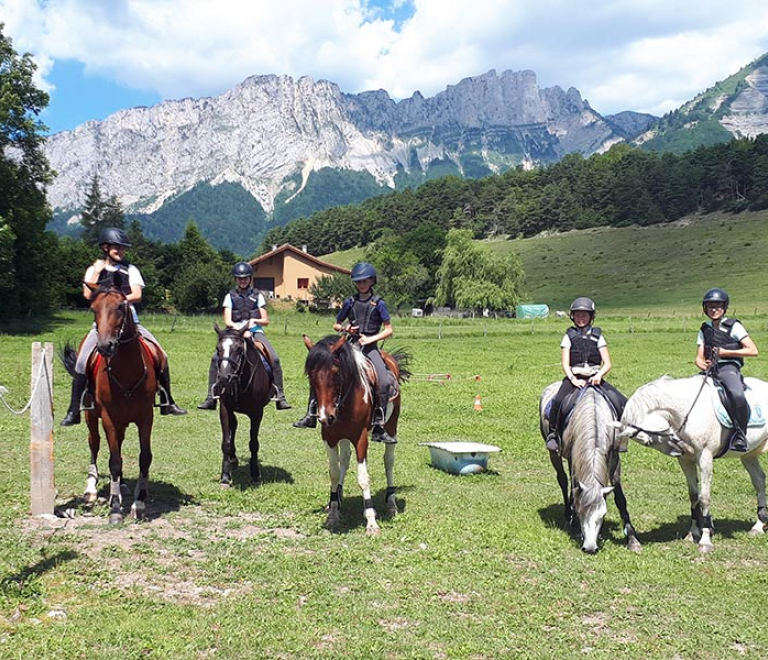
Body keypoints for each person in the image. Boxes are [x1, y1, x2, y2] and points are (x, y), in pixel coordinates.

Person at [61, 227, 187, 426]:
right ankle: (73, 410)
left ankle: (167, 401)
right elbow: (87, 294)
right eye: (116, 247)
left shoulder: (131, 269)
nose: (120, 250)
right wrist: (96, 270)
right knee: (81, 361)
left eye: (122, 248)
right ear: (105, 247)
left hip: (130, 322)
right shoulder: (94, 270)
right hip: (102, 325)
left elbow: (137, 294)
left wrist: (119, 302)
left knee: (161, 354)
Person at [293, 261, 395, 443]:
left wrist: (370, 339)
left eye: (364, 281)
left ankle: (378, 424)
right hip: (350, 346)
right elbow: (336, 324)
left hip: (369, 348)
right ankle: (311, 413)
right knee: (322, 374)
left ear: (372, 281)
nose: (361, 284)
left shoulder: (379, 303)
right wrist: (347, 329)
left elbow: (389, 330)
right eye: (358, 281)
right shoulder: (349, 302)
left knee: (384, 380)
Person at [197, 261, 291, 411]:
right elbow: (228, 320)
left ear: (250, 278)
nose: (243, 281)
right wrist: (240, 330)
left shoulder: (258, 296)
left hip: (255, 332)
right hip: (235, 332)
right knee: (216, 358)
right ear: (236, 279)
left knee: (274, 358)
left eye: (245, 278)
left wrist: (252, 322)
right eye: (240, 278)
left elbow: (265, 320)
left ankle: (280, 396)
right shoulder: (230, 297)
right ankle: (211, 396)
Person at [545, 297, 625, 452]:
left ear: (591, 317)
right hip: (574, 378)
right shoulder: (568, 337)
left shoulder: (598, 336)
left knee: (621, 401)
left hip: (595, 378)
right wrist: (573, 379)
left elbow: (607, 363)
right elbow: (565, 364)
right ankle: (553, 435)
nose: (581, 318)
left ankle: (621, 437)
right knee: (558, 401)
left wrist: (599, 375)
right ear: (572, 316)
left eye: (585, 315)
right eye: (578, 315)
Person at [695, 287, 758, 453]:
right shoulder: (704, 329)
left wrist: (725, 352)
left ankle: (740, 434)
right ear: (705, 308)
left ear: (724, 307)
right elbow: (698, 358)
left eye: (718, 306)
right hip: (711, 369)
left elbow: (753, 350)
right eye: (710, 306)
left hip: (728, 367)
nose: (714, 309)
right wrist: (703, 365)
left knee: (736, 394)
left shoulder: (734, 326)